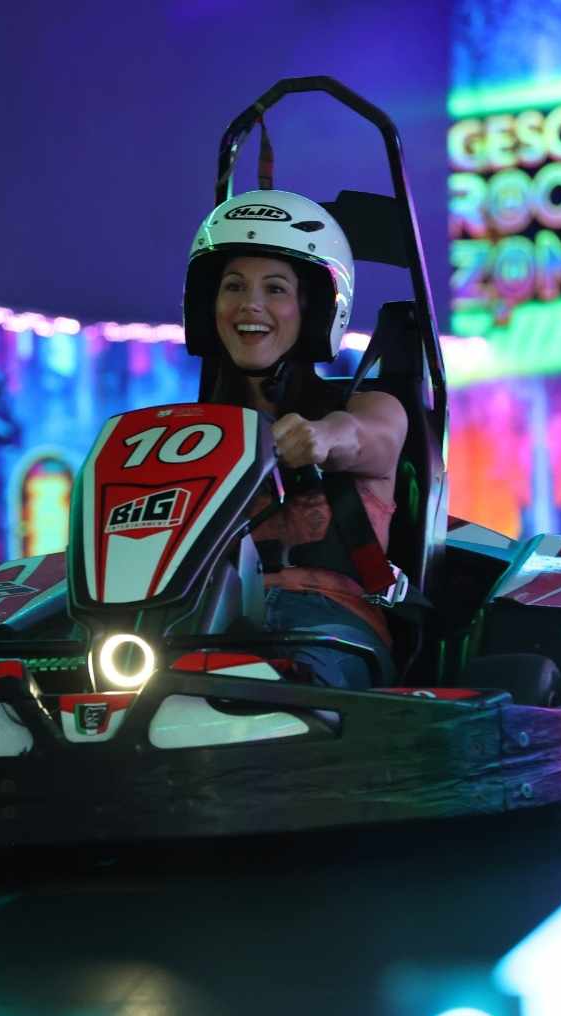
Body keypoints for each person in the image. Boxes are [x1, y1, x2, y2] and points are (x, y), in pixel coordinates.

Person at [182, 189, 408, 689]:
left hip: (332, 632)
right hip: (202, 627)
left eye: (276, 289)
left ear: (316, 310)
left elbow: (363, 437)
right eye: (233, 286)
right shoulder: (188, 438)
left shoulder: (369, 409)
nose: (250, 305)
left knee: (269, 691)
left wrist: (320, 439)